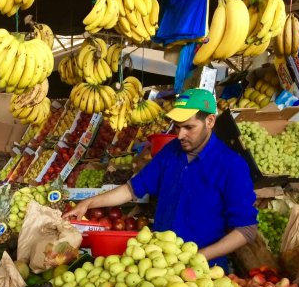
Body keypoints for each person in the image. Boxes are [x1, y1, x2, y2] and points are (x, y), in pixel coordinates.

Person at [64, 88, 258, 270]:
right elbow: (131, 189)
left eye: (189, 127)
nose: (180, 135)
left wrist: (199, 256)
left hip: (203, 271)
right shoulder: (171, 152)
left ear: (210, 121)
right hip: (158, 263)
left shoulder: (231, 165)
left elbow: (246, 230)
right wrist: (88, 203)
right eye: (178, 127)